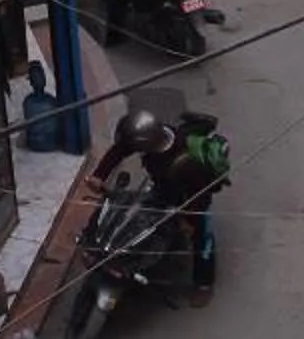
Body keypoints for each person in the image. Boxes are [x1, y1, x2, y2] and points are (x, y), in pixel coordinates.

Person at [90, 104, 225, 296]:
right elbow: (120, 150)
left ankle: (204, 284)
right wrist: (99, 175)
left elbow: (200, 194)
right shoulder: (155, 136)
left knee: (202, 239)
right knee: (141, 215)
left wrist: (189, 220)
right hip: (163, 185)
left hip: (191, 195)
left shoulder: (185, 161)